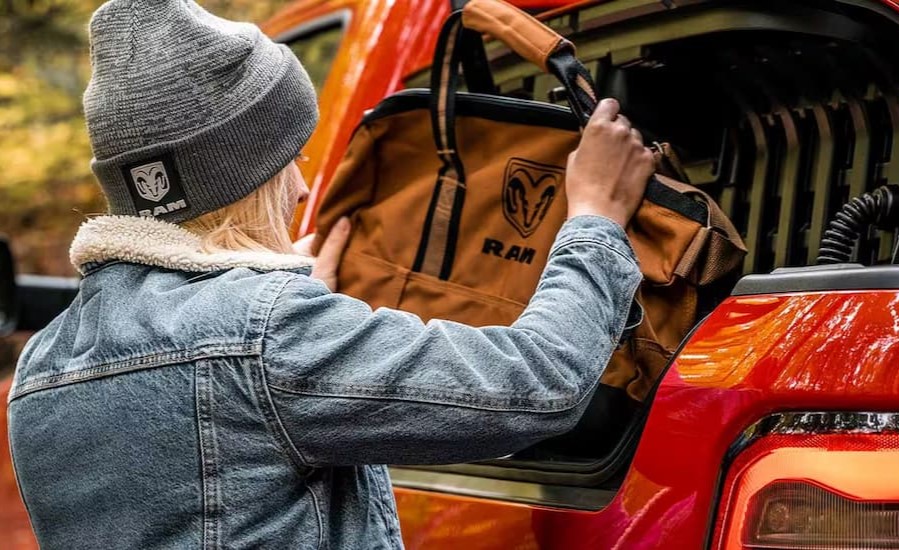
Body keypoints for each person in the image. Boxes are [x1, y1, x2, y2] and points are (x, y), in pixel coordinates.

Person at [6, 1, 655, 548]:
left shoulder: (42, 368)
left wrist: (288, 295)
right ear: (242, 179)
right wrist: (595, 217)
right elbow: (539, 383)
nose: (301, 188)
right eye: (288, 159)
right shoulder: (265, 335)